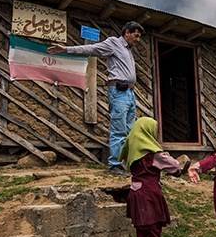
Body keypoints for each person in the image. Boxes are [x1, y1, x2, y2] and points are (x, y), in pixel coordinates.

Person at [48, 21, 145, 176]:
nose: (138, 39)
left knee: (130, 130)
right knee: (119, 130)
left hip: (129, 93)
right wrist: (66, 49)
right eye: (136, 35)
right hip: (119, 92)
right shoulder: (114, 43)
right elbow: (92, 49)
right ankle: (115, 166)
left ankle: (127, 163)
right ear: (127, 32)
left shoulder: (128, 50)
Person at [119, 117, 186, 237]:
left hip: (135, 194)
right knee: (154, 232)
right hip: (149, 195)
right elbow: (175, 166)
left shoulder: (133, 153)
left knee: (141, 233)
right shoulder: (153, 155)